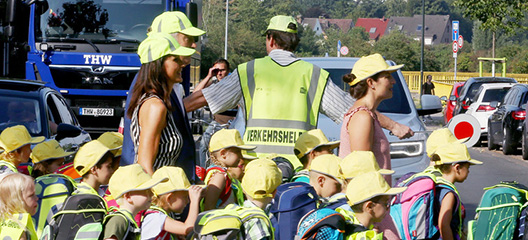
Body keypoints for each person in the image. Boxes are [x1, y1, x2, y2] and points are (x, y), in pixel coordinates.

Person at [184, 16, 413, 156]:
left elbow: (203, 99)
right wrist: (392, 125)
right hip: (299, 172)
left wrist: (168, 107)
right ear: (294, 42)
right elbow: (353, 110)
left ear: (271, 40)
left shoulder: (249, 71)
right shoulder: (313, 75)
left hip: (256, 170)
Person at [339, 53, 411, 240]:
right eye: (387, 77)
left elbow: (368, 113)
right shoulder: (362, 116)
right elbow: (360, 166)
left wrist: (392, 124)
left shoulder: (366, 113)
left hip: (374, 206)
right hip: (369, 206)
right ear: (371, 82)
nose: (392, 82)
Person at [122, 11, 205, 181]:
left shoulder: (161, 93)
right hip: (158, 199)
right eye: (187, 38)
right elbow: (144, 166)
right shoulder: (154, 103)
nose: (194, 45)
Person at [127, 33, 195, 175]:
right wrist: (155, 196)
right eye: (175, 59)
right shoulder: (155, 106)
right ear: (158, 65)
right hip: (154, 192)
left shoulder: (159, 102)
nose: (182, 64)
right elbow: (145, 165)